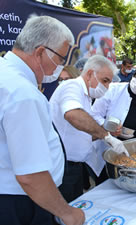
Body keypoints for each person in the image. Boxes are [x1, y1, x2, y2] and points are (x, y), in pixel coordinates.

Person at [0, 15, 85, 225]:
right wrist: (66, 213)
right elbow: (31, 175)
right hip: (20, 204)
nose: (60, 67)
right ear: (40, 52)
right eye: (60, 59)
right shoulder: (22, 93)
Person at [49, 55, 129, 203]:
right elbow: (73, 114)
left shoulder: (85, 96)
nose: (106, 87)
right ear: (90, 73)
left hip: (75, 165)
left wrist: (108, 133)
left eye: (109, 83)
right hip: (64, 166)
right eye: (105, 81)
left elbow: (84, 131)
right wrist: (107, 136)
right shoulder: (71, 86)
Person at [92, 63, 136, 139]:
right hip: (107, 141)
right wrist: (108, 127)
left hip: (134, 146)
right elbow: (95, 114)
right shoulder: (112, 90)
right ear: (132, 76)